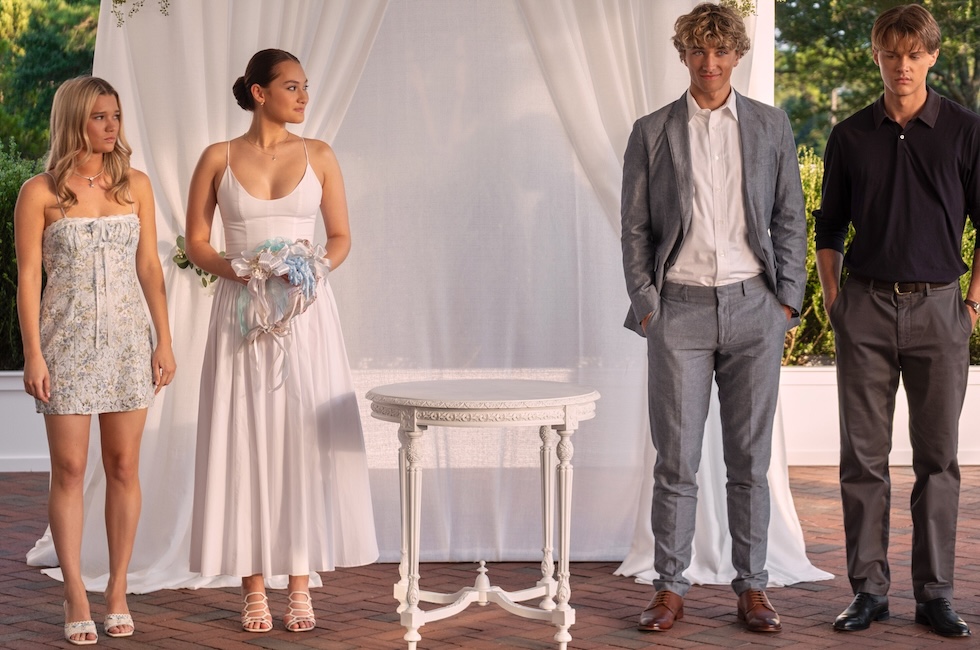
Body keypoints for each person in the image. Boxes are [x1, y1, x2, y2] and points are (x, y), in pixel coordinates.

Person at [620, 2, 806, 634]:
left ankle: (753, 587)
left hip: (756, 309)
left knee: (749, 463)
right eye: (698, 50)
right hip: (679, 312)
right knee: (675, 462)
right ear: (683, 54)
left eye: (721, 50)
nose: (710, 61)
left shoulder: (770, 125)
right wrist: (648, 305)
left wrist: (786, 302)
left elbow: (788, 216)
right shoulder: (652, 131)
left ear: (736, 55)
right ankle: (669, 588)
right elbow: (636, 228)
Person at [186, 49, 378, 634]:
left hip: (304, 314)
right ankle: (251, 586)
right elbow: (196, 242)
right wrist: (241, 270)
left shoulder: (320, 154)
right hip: (241, 313)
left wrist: (310, 269)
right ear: (259, 92)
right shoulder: (216, 157)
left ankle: (298, 582)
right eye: (292, 87)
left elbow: (340, 236)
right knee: (244, 436)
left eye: (306, 87)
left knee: (301, 440)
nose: (304, 97)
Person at [816, 4, 979, 638]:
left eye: (914, 54)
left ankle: (935, 594)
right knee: (863, 459)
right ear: (877, 56)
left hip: (941, 310)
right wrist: (836, 301)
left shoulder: (966, 131)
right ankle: (869, 591)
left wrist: (971, 307)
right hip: (865, 308)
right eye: (891, 53)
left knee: (939, 460)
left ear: (932, 56)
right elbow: (830, 226)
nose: (902, 65)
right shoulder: (850, 135)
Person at [14, 75, 176, 645]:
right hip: (66, 346)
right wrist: (33, 354)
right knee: (70, 470)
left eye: (116, 116)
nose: (112, 126)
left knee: (124, 466)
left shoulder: (135, 184)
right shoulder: (39, 192)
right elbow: (28, 279)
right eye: (100, 116)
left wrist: (164, 339)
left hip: (129, 344)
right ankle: (75, 591)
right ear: (73, 121)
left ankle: (118, 589)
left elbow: (150, 267)